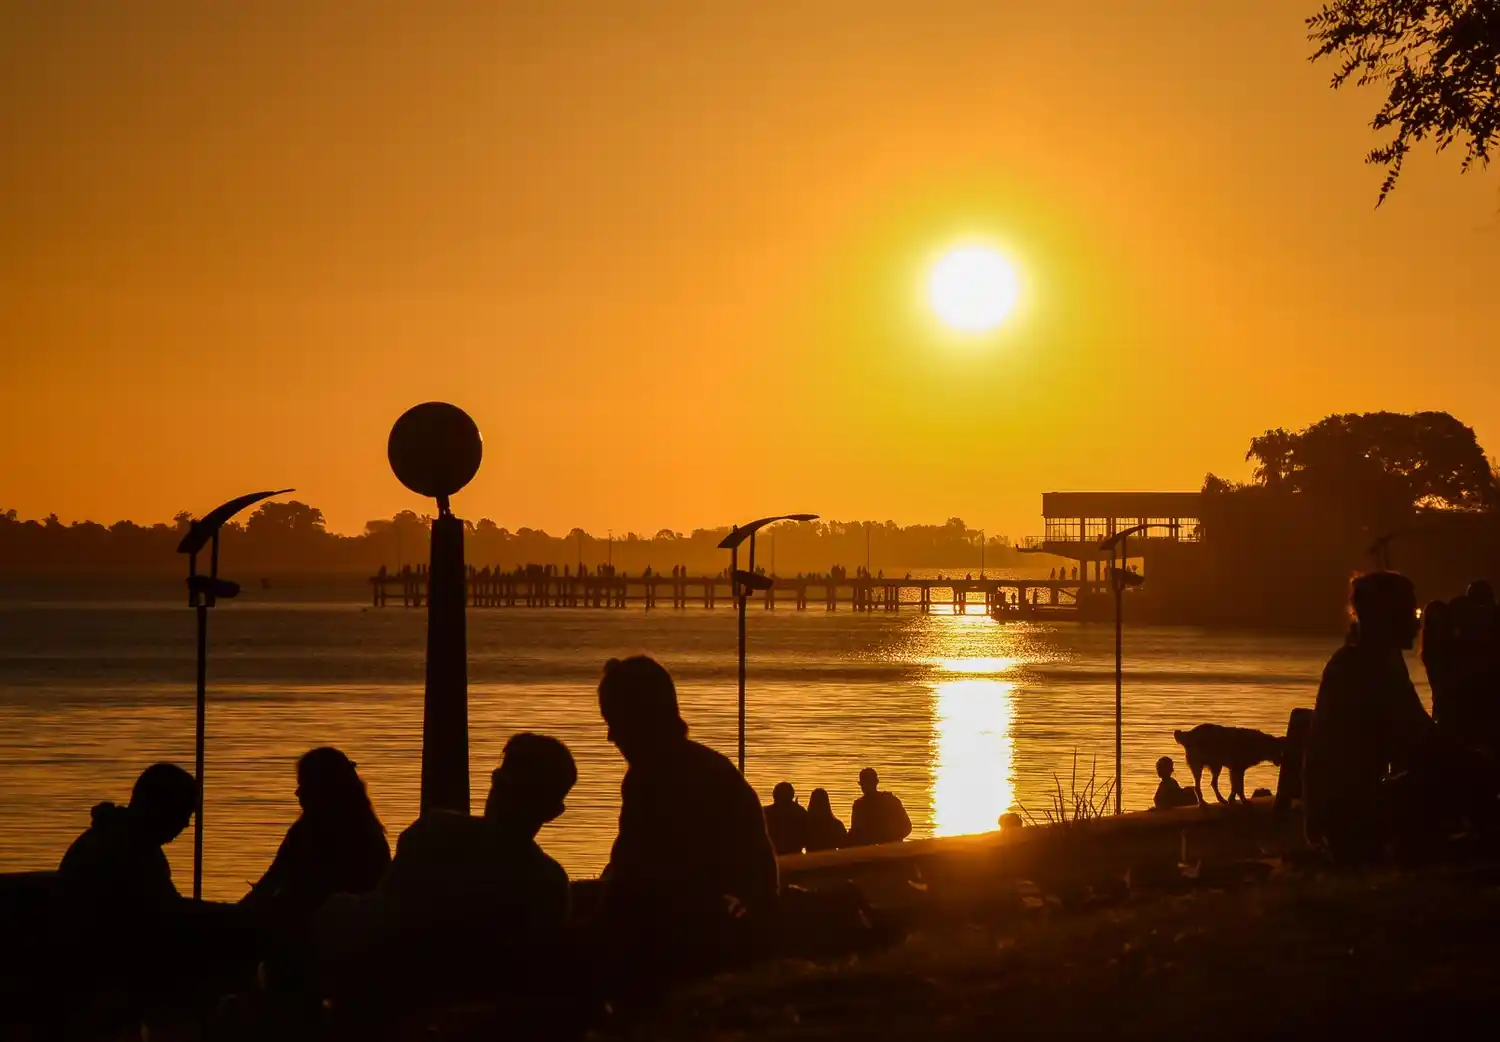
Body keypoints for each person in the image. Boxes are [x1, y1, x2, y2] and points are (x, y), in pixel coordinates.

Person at [316, 733, 576, 1014]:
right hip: (482, 1010)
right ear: (554, 811)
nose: (497, 791)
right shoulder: (550, 881)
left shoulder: (435, 832)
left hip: (402, 995)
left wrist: (334, 910)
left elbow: (383, 917)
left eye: (503, 782)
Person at [594, 656, 778, 994]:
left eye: (615, 721)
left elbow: (638, 879)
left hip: (698, 942)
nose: (610, 736)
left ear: (641, 719)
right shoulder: (701, 769)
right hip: (715, 931)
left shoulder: (659, 781)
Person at [55, 763, 254, 1013]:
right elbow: (165, 914)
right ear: (160, 807)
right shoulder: (126, 848)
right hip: (103, 967)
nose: (186, 824)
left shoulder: (121, 837)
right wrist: (233, 916)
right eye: (184, 813)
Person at [1303, 571, 1468, 865]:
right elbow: (1420, 741)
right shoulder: (1367, 668)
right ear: (1387, 617)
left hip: (1345, 809)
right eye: (1410, 613)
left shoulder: (1370, 660)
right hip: (1347, 816)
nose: (1417, 624)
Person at [243, 748, 390, 929]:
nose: (297, 793)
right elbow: (272, 881)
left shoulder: (352, 838)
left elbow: (300, 891)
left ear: (322, 788)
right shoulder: (304, 831)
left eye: (303, 784)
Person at [847, 768, 912, 846]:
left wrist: (891, 839)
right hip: (872, 849)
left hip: (889, 847)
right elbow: (855, 832)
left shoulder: (891, 801)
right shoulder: (859, 805)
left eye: (867, 783)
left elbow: (907, 827)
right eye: (864, 784)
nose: (865, 787)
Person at [763, 782, 810, 856]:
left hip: (771, 854)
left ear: (774, 795)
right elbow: (806, 838)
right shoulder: (800, 812)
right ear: (792, 795)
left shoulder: (765, 812)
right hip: (795, 854)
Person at [804, 788, 848, 852]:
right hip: (831, 857)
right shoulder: (836, 825)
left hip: (811, 857)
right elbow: (844, 845)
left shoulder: (806, 824)